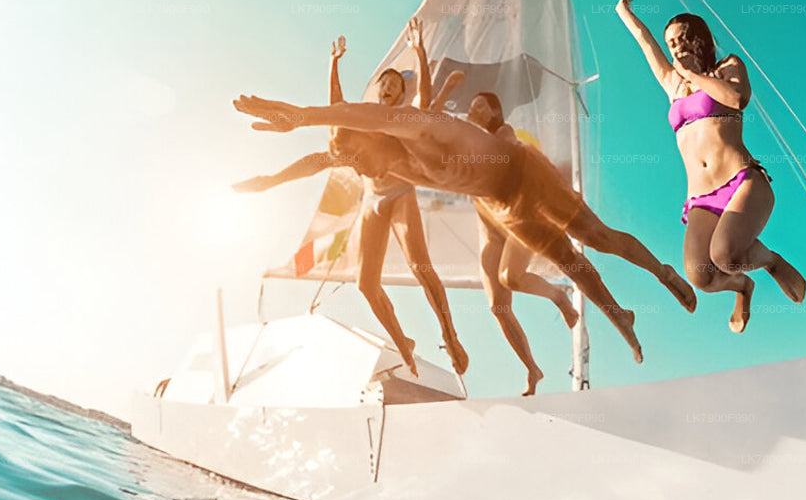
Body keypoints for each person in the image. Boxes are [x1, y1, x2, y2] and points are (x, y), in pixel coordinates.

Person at [232, 91, 697, 364]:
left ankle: (661, 272)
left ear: (375, 139)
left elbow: (367, 115)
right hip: (499, 202)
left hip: (522, 172)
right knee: (568, 262)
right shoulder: (378, 162)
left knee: (596, 237)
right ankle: (620, 316)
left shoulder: (418, 127)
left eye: (360, 158)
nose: (361, 171)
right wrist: (272, 180)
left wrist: (305, 115)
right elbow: (322, 159)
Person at [233, 21, 468, 378]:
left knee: (421, 267)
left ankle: (450, 335)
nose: (389, 87)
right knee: (366, 285)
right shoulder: (353, 131)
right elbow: (324, 140)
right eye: (385, 83)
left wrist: (420, 52)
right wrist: (271, 181)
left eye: (395, 85)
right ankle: (404, 344)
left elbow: (425, 100)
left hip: (400, 193)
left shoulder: (401, 119)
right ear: (377, 89)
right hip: (374, 200)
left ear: (400, 95)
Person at [615, 0, 806, 333]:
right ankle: (742, 287)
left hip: (741, 181)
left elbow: (737, 99)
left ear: (700, 40)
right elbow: (645, 43)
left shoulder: (727, 67)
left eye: (682, 39)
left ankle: (770, 261)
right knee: (701, 276)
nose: (676, 48)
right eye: (671, 43)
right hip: (701, 197)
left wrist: (693, 75)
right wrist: (623, 12)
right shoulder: (672, 84)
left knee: (726, 256)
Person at [467, 91, 578, 395]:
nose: (474, 110)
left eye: (480, 106)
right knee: (498, 307)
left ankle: (558, 296)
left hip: (518, 222)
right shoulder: (467, 141)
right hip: (489, 232)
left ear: (494, 111)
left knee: (512, 278)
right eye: (472, 107)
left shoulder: (503, 132)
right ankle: (532, 369)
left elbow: (500, 158)